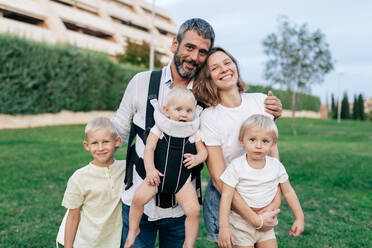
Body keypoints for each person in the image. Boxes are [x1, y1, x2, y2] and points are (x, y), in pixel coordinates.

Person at [112, 18, 282, 248]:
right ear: (175, 44)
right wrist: (99, 144)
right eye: (189, 47)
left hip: (180, 208)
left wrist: (271, 114)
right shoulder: (142, 82)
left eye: (202, 52)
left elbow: (236, 116)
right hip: (139, 199)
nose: (194, 57)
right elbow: (118, 131)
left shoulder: (206, 97)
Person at [192, 47, 283, 244]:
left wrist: (274, 202)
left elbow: (273, 158)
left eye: (227, 63)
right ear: (208, 78)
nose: (224, 69)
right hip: (226, 202)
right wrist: (253, 218)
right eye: (215, 68)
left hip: (260, 194)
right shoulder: (209, 117)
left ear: (235, 66)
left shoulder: (260, 102)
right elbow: (218, 178)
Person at [125, 87, 207, 248]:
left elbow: (203, 151)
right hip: (157, 177)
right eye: (179, 109)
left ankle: (188, 244)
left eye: (189, 110)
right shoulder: (160, 128)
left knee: (194, 211)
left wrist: (197, 158)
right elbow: (149, 149)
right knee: (137, 200)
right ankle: (133, 230)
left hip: (181, 182)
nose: (184, 114)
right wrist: (150, 170)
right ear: (166, 111)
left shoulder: (193, 132)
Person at [218, 114, 304, 248]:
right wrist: (223, 228)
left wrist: (299, 217)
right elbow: (226, 196)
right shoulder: (236, 167)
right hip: (241, 224)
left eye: (265, 141)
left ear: (273, 144)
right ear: (242, 141)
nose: (258, 145)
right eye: (252, 140)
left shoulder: (276, 166)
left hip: (267, 224)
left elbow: (288, 192)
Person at [61, 117, 125, 248]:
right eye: (95, 143)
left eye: (106, 142)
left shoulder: (125, 168)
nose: (100, 148)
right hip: (88, 243)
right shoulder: (79, 177)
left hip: (118, 242)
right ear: (87, 146)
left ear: (117, 141)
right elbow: (73, 216)